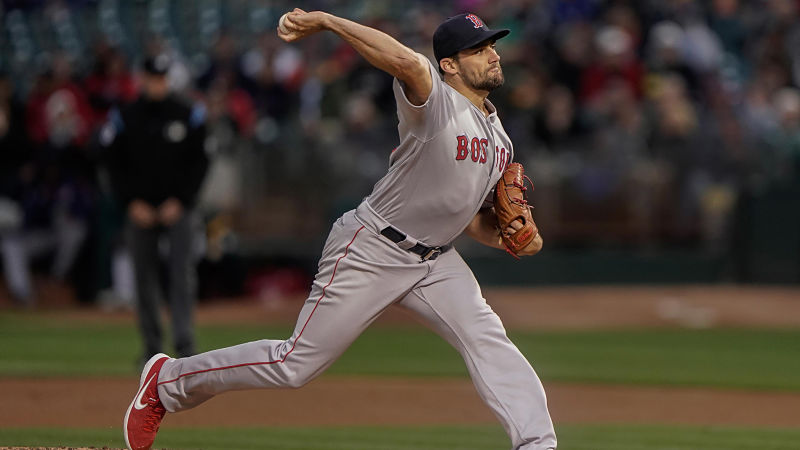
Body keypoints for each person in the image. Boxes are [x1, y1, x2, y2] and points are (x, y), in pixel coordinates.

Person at [124, 9, 555, 450]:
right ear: (449, 64)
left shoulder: (499, 138)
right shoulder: (436, 100)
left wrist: (510, 236)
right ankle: (167, 380)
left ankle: (538, 443)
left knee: (488, 338)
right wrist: (330, 22)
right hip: (373, 247)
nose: (492, 55)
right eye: (478, 49)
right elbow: (405, 62)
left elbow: (468, 219)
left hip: (436, 260)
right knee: (294, 365)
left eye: (492, 46)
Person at [102, 53, 209, 363]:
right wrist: (130, 202)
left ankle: (185, 343)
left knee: (182, 275)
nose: (157, 84)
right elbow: (112, 164)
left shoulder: (188, 112)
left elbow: (201, 162)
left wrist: (183, 200)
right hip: (140, 208)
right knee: (143, 278)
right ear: (143, 78)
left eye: (162, 78)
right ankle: (152, 347)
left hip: (179, 208)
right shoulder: (126, 115)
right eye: (152, 78)